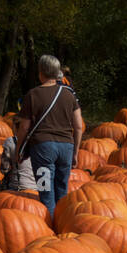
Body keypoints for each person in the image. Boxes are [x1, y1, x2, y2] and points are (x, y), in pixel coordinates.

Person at [15, 54, 84, 218]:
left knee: (45, 191)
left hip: (42, 149)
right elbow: (79, 126)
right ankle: (61, 224)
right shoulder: (70, 95)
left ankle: (50, 229)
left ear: (41, 73)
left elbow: (24, 127)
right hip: (66, 148)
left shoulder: (32, 95)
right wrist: (76, 151)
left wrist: (18, 149)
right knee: (62, 190)